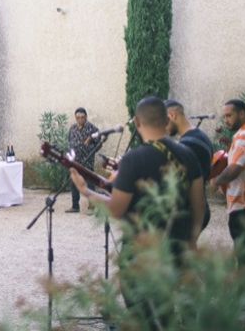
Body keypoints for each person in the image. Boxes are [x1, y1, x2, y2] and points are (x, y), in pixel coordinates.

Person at [70, 97, 204, 329]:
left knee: (142, 312)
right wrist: (192, 238)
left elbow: (116, 209)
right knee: (166, 308)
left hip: (140, 252)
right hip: (176, 247)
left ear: (137, 122)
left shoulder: (134, 159)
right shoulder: (188, 154)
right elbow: (198, 204)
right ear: (165, 120)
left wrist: (85, 191)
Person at [165, 99, 213, 230]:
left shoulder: (188, 144)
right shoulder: (201, 136)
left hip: (190, 212)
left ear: (172, 115)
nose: (163, 127)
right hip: (199, 206)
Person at [213, 99, 245, 265]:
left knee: (243, 257)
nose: (226, 120)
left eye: (229, 115)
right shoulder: (243, 134)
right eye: (224, 116)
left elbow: (235, 168)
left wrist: (216, 181)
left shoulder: (243, 135)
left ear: (242, 114)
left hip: (243, 206)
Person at [66, 107, 99, 214]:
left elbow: (99, 143)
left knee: (90, 182)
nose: (80, 119)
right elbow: (69, 141)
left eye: (82, 117)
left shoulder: (92, 129)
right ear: (75, 118)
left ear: (86, 117)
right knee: (73, 182)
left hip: (87, 160)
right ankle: (75, 206)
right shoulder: (72, 129)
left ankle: (92, 206)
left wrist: (91, 150)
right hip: (75, 161)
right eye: (78, 117)